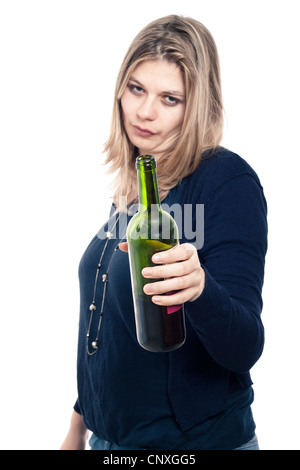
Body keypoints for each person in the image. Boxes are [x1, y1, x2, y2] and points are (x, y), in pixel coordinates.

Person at [60, 15, 267, 451]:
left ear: (196, 107)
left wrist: (200, 289)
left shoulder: (226, 181)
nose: (145, 111)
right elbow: (106, 326)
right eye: (137, 88)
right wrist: (79, 427)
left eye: (169, 98)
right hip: (110, 442)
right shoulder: (137, 188)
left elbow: (245, 344)